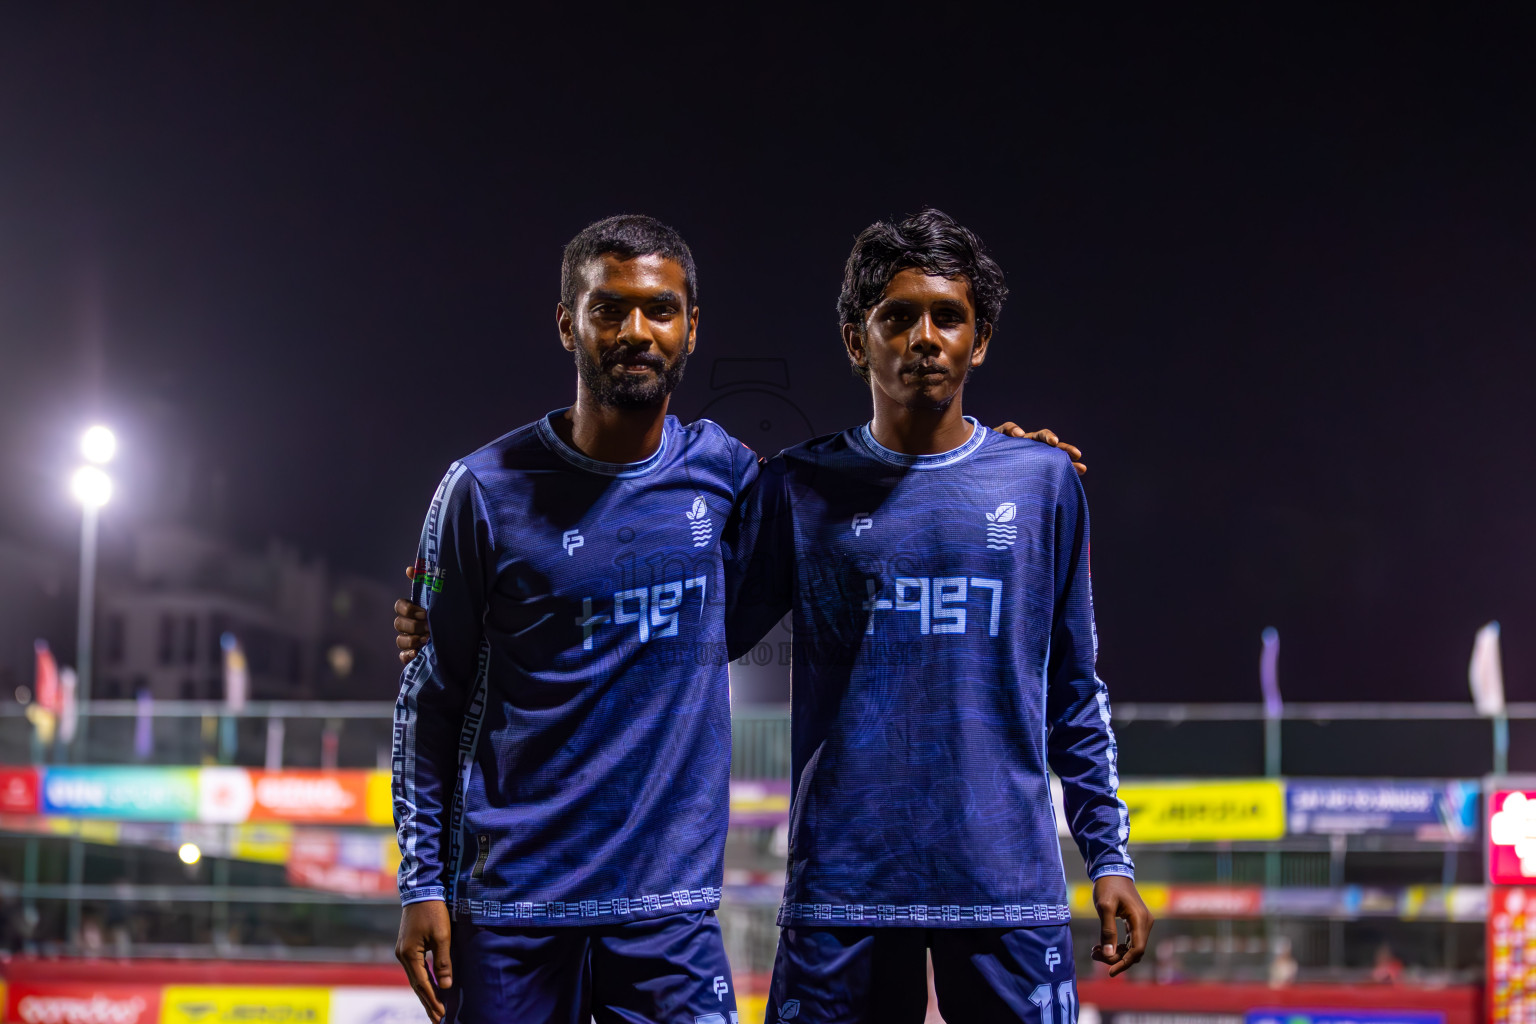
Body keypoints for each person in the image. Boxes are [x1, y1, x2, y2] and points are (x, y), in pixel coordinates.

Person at [390, 213, 1075, 1024]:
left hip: (669, 914)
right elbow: (429, 702)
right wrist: (422, 881)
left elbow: (872, 500)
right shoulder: (480, 487)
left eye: (659, 310)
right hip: (511, 908)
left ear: (690, 328)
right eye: (609, 308)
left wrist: (995, 463)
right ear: (566, 322)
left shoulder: (729, 476)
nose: (636, 330)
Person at [723, 209, 1152, 1022]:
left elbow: (1074, 690)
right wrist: (487, 615)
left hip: (1006, 889)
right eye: (898, 316)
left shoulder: (1043, 483)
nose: (925, 337)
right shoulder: (797, 489)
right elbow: (694, 629)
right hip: (843, 891)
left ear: (979, 339)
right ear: (858, 340)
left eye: (947, 317)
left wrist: (1109, 857)